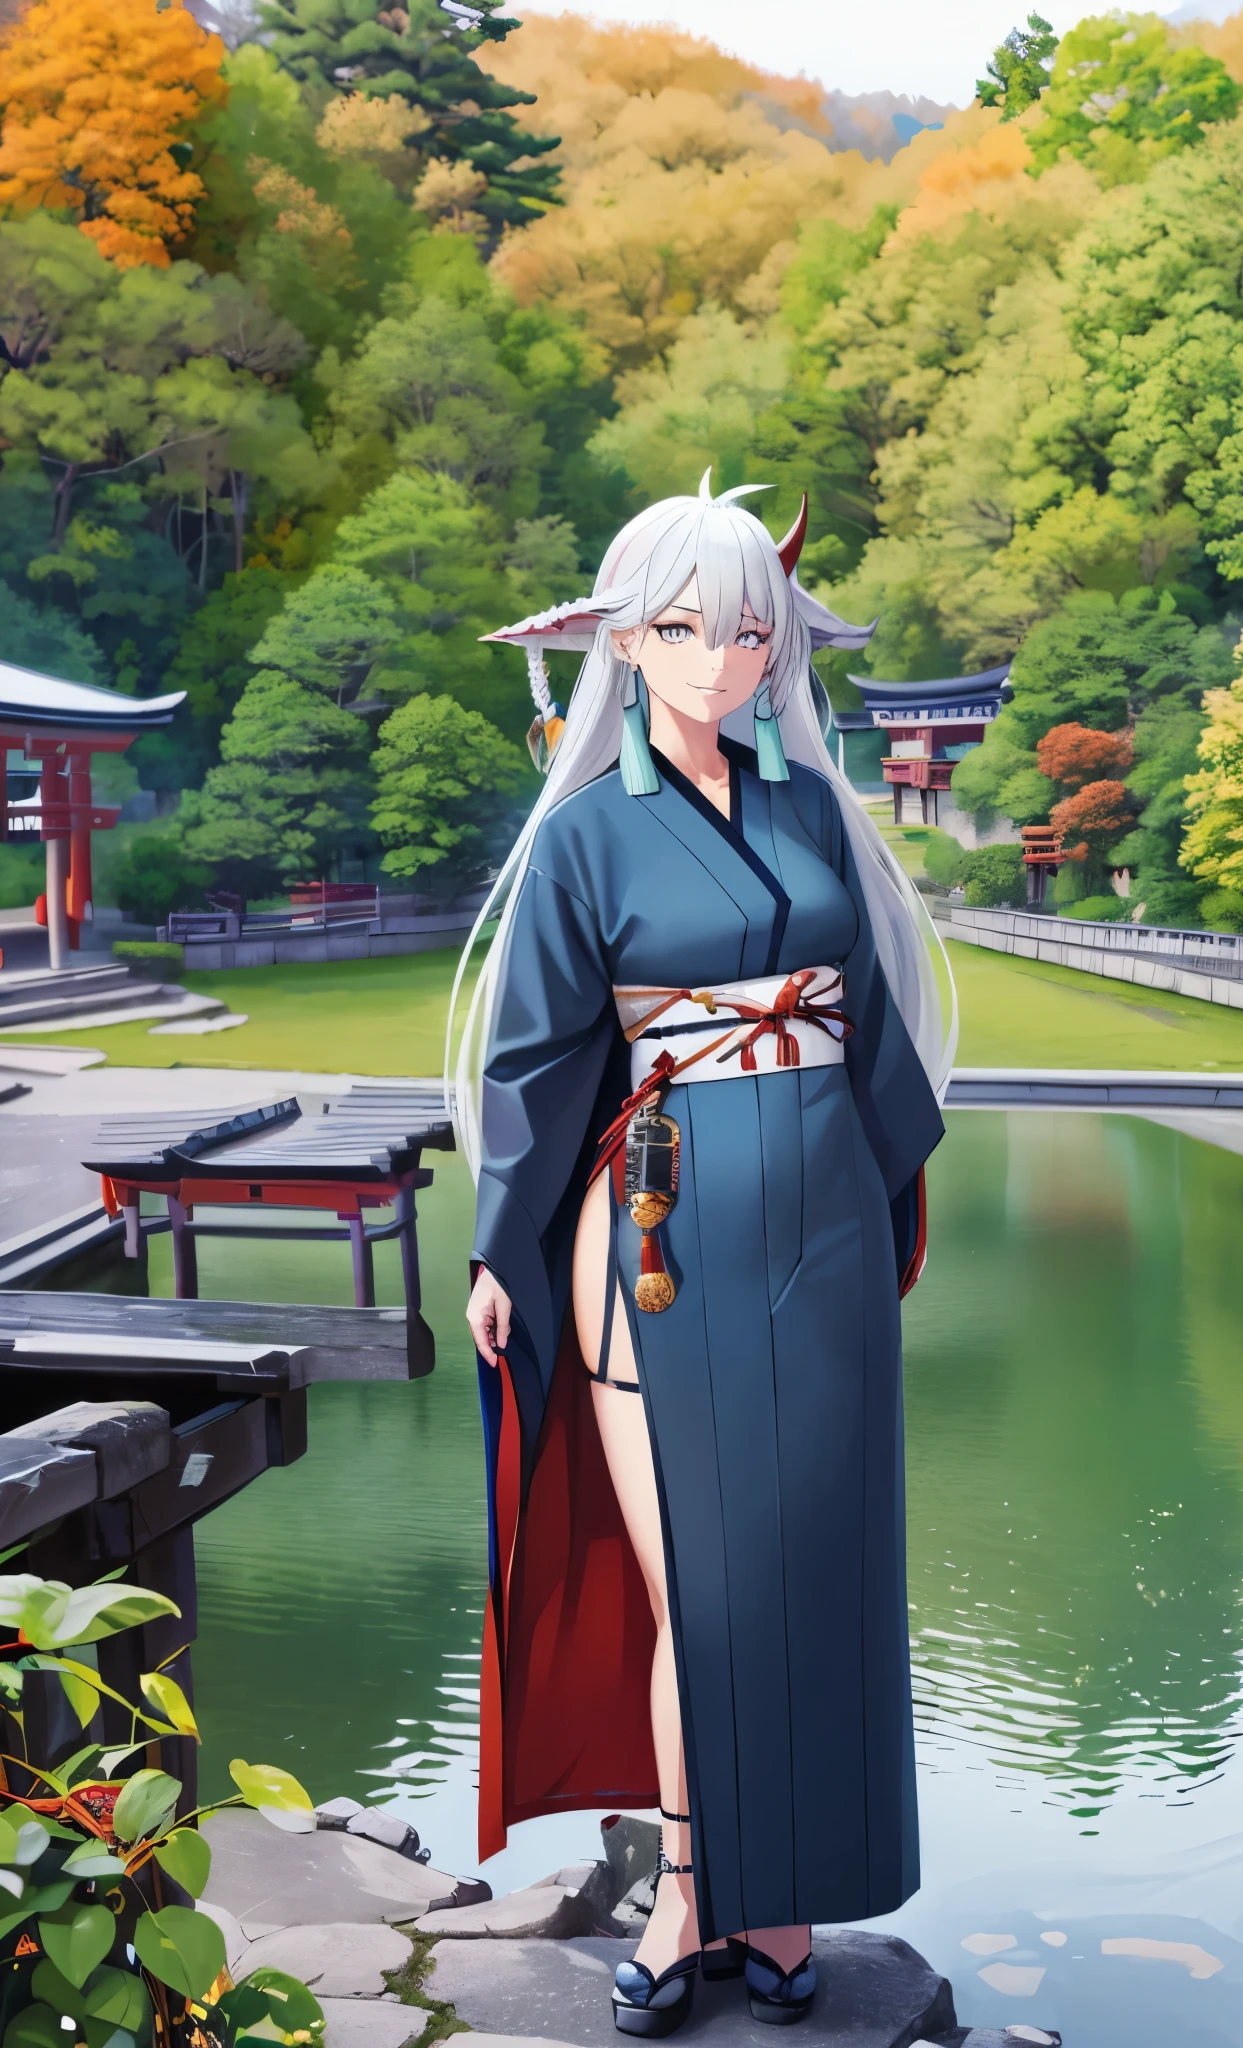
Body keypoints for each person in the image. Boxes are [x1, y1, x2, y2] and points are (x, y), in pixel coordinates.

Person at [447, 480, 951, 2034]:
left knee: (812, 1579)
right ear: (623, 637)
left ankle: (783, 1908)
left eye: (749, 630)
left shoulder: (810, 811)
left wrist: (889, 1198)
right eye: (683, 627)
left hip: (822, 1223)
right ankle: (688, 1897)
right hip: (656, 1238)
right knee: (708, 1601)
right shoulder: (587, 840)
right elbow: (534, 1065)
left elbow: (865, 1015)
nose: (721, 659)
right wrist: (501, 1251)